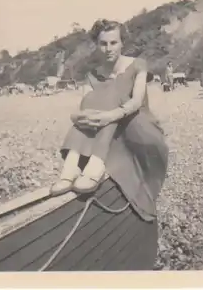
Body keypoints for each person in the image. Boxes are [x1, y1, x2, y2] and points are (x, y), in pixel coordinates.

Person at [50, 19, 169, 222]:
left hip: (139, 127)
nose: (108, 49)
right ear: (97, 45)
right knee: (93, 101)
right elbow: (84, 107)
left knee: (111, 97)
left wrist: (108, 115)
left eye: (113, 43)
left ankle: (90, 165)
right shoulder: (92, 75)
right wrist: (77, 116)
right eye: (103, 43)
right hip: (109, 128)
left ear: (122, 43)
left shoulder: (137, 65)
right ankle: (71, 169)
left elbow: (136, 102)